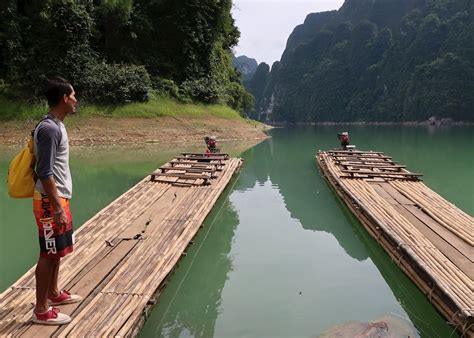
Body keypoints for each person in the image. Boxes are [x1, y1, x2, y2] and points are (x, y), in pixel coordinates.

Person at [31, 77, 81, 325]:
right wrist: (58, 206)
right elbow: (44, 172)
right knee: (48, 253)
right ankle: (41, 309)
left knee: (57, 251)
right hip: (50, 202)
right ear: (64, 98)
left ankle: (53, 293)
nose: (76, 100)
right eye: (73, 96)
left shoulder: (57, 125)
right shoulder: (49, 129)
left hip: (58, 198)